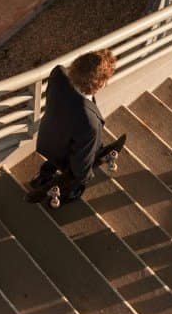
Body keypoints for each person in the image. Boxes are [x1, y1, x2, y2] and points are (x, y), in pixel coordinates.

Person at [28, 50, 125, 203]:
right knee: (73, 178)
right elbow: (81, 165)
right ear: (99, 84)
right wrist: (84, 177)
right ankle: (68, 193)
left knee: (54, 159)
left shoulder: (58, 73)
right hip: (66, 154)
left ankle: (42, 178)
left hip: (48, 138)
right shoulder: (89, 121)